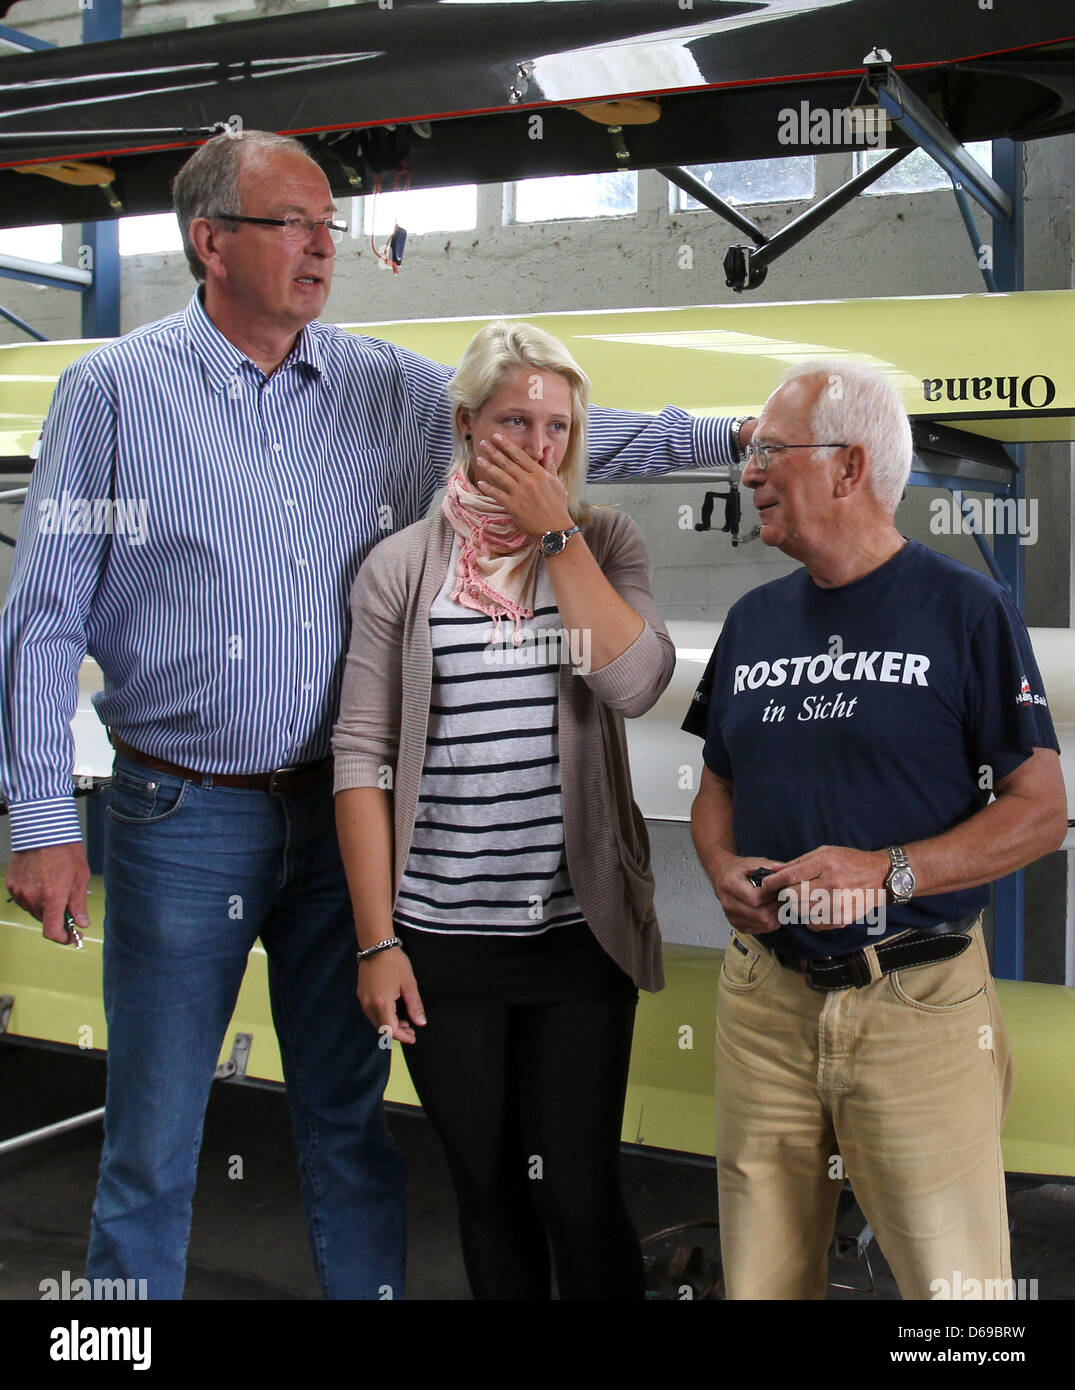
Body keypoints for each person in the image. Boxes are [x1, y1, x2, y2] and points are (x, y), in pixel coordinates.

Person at [0, 129, 752, 1300]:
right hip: (181, 813)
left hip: (348, 832)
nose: (320, 246)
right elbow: (42, 617)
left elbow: (549, 437)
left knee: (347, 1124)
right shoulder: (113, 393)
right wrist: (40, 816)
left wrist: (742, 439)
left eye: (327, 225)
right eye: (291, 223)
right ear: (210, 241)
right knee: (153, 1140)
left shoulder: (386, 387)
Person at [685, 360, 1067, 1301]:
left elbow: (1040, 810)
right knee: (762, 1283)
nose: (750, 471)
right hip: (763, 1005)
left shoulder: (966, 611)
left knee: (955, 1293)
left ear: (848, 467)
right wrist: (719, 865)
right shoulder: (752, 619)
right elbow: (713, 786)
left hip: (915, 1005)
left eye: (770, 450)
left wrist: (885, 871)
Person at [333, 320, 673, 1300]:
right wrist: (375, 942)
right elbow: (360, 757)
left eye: (558, 427)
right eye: (515, 421)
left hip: (575, 934)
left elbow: (635, 680)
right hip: (442, 939)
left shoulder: (603, 540)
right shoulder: (402, 566)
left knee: (577, 1189)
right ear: (465, 423)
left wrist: (555, 532)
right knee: (486, 1186)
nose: (538, 446)